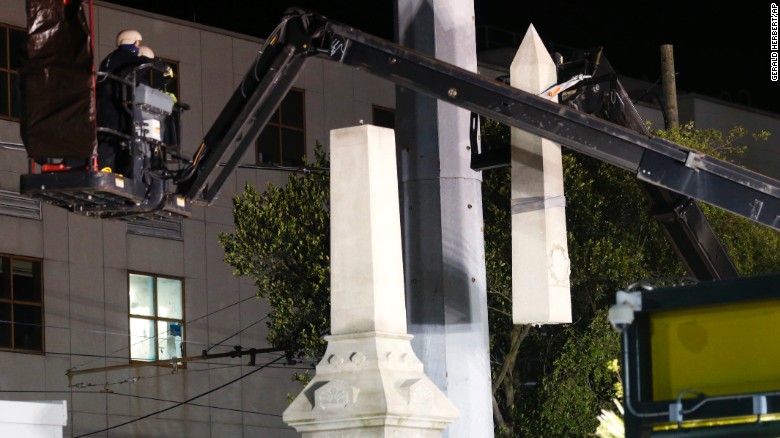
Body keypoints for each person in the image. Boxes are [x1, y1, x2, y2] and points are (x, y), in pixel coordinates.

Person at [95, 29, 147, 173]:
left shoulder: (111, 58)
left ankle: (112, 167)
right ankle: (106, 167)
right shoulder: (125, 56)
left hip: (106, 101)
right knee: (110, 135)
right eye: (137, 44)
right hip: (113, 102)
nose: (138, 47)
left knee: (113, 135)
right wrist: (163, 67)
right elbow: (142, 64)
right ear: (133, 42)